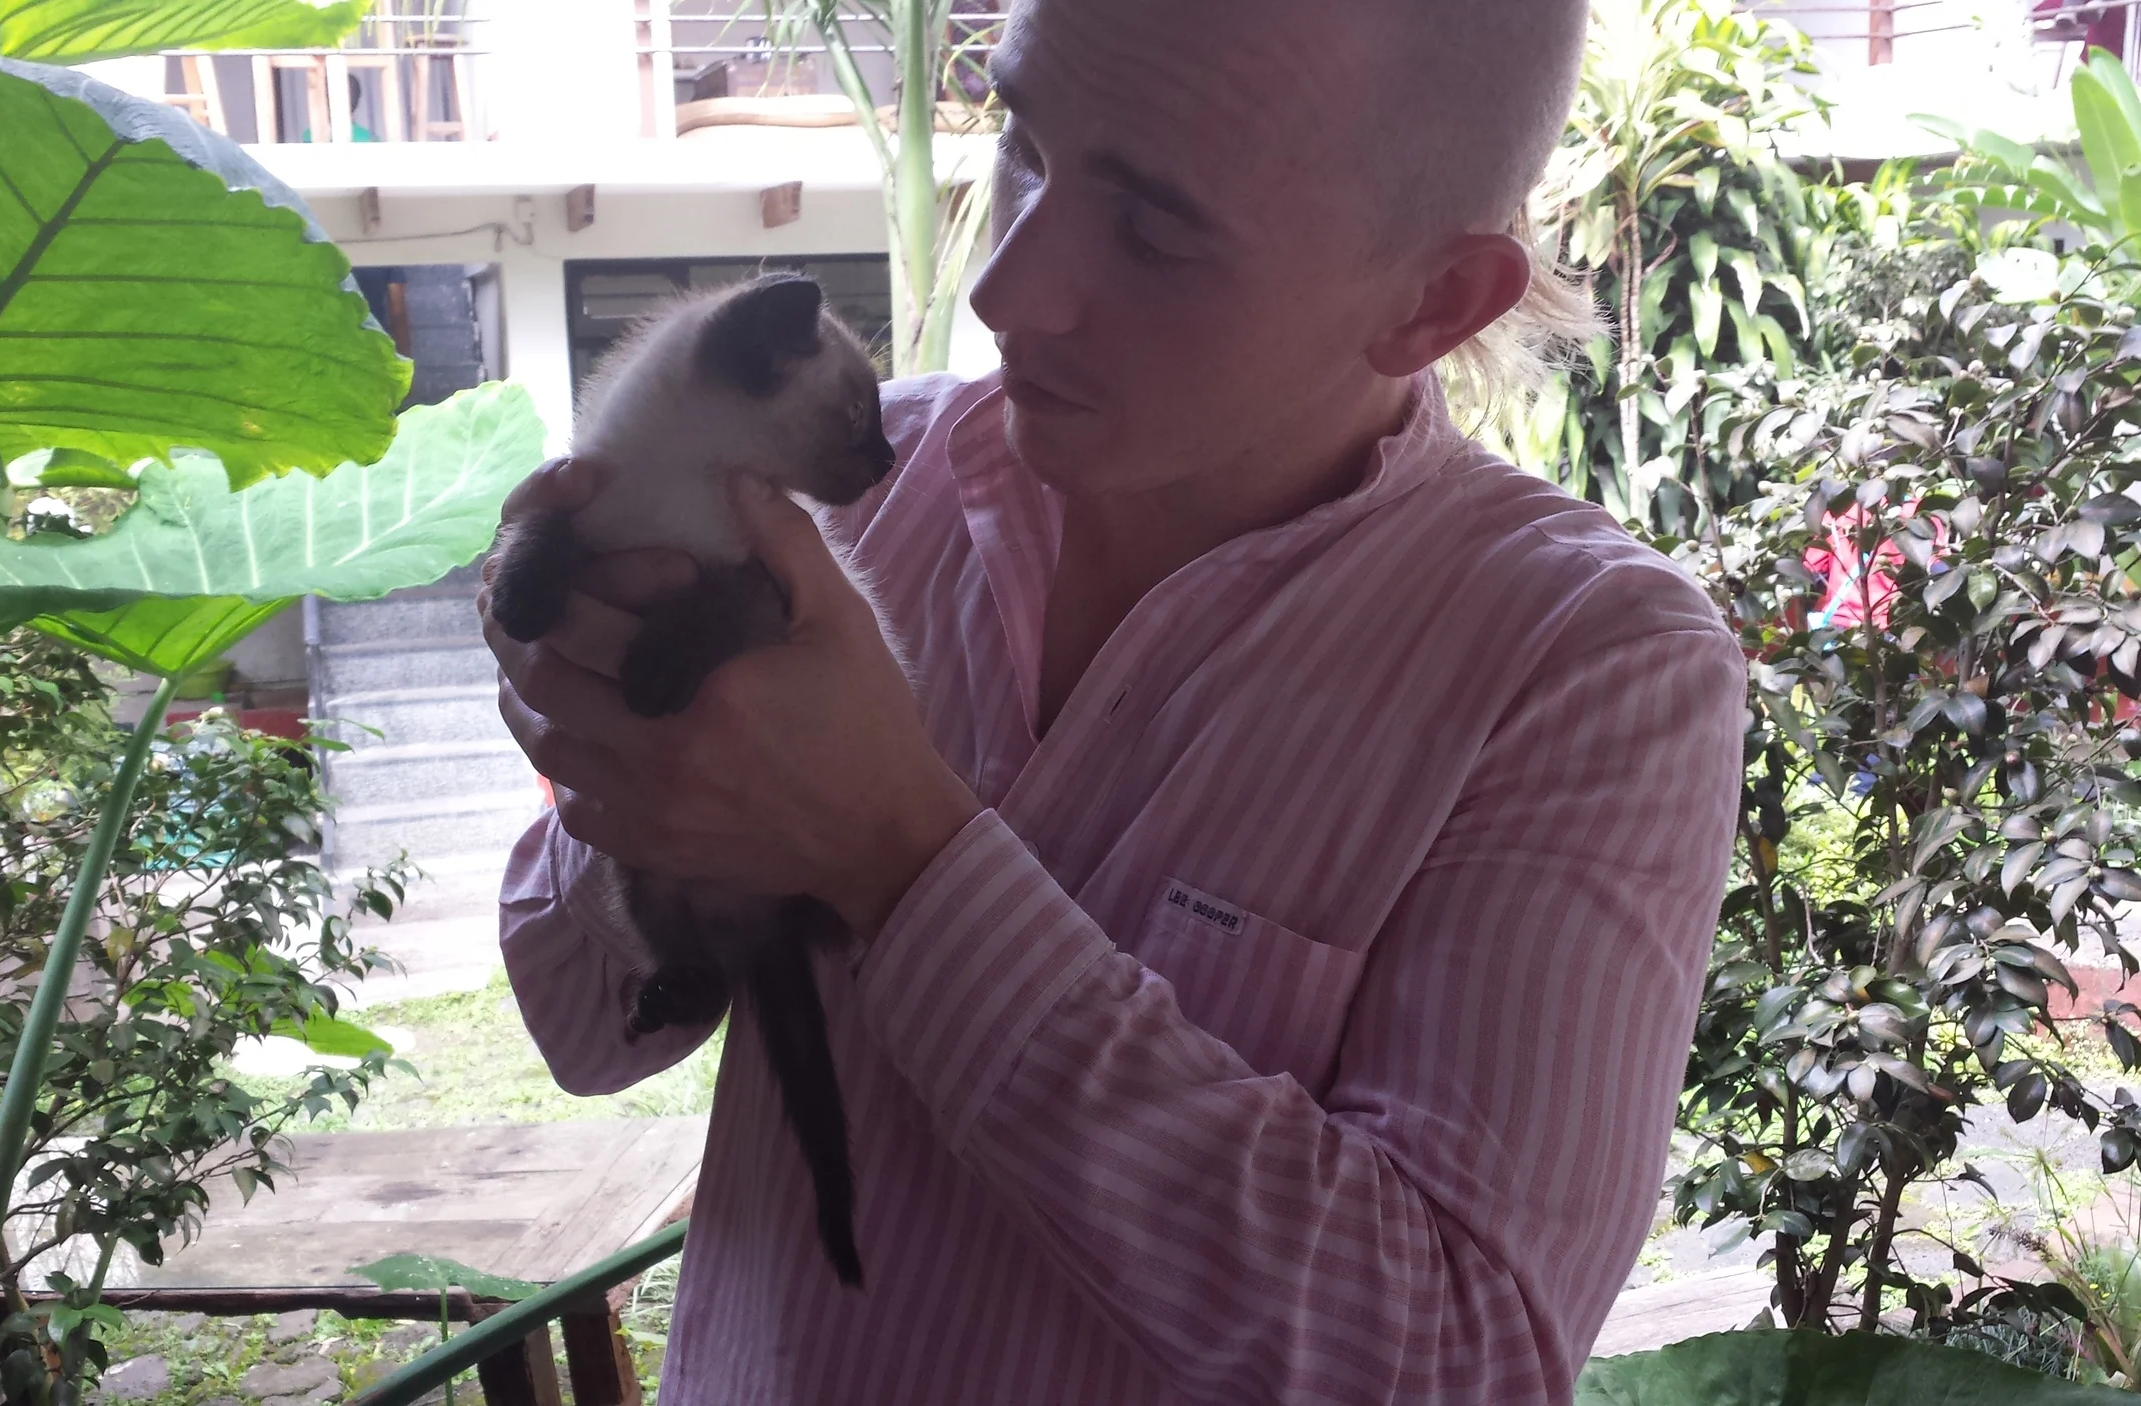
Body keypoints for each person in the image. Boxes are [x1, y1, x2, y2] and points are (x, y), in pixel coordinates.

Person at [478, 0, 1746, 1400]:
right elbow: (582, 1023)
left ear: (1433, 302)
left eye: (1151, 227)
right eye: (1024, 143)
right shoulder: (839, 493)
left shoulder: (1590, 666)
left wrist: (902, 859)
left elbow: (1461, 1361)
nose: (1003, 289)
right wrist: (617, 736)